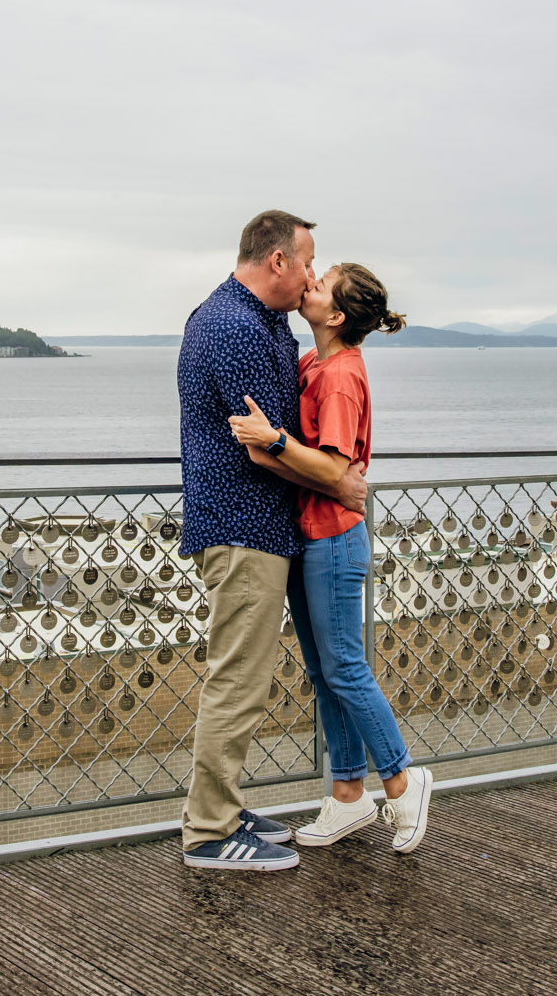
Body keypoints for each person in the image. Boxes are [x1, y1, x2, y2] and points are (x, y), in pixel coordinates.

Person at [177, 210, 367, 871]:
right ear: (278, 261)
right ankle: (208, 831)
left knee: (246, 678)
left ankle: (223, 808)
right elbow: (264, 448)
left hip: (256, 525)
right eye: (308, 260)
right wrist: (342, 483)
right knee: (238, 682)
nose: (314, 274)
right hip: (240, 525)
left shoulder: (257, 322)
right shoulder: (234, 327)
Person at [227, 261, 432, 854]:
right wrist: (269, 451)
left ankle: (400, 778)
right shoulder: (313, 362)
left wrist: (272, 443)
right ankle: (348, 796)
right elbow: (304, 458)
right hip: (311, 534)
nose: (309, 284)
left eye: (321, 284)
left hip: (334, 540)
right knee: (324, 672)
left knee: (344, 667)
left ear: (336, 316)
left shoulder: (339, 375)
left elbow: (335, 471)